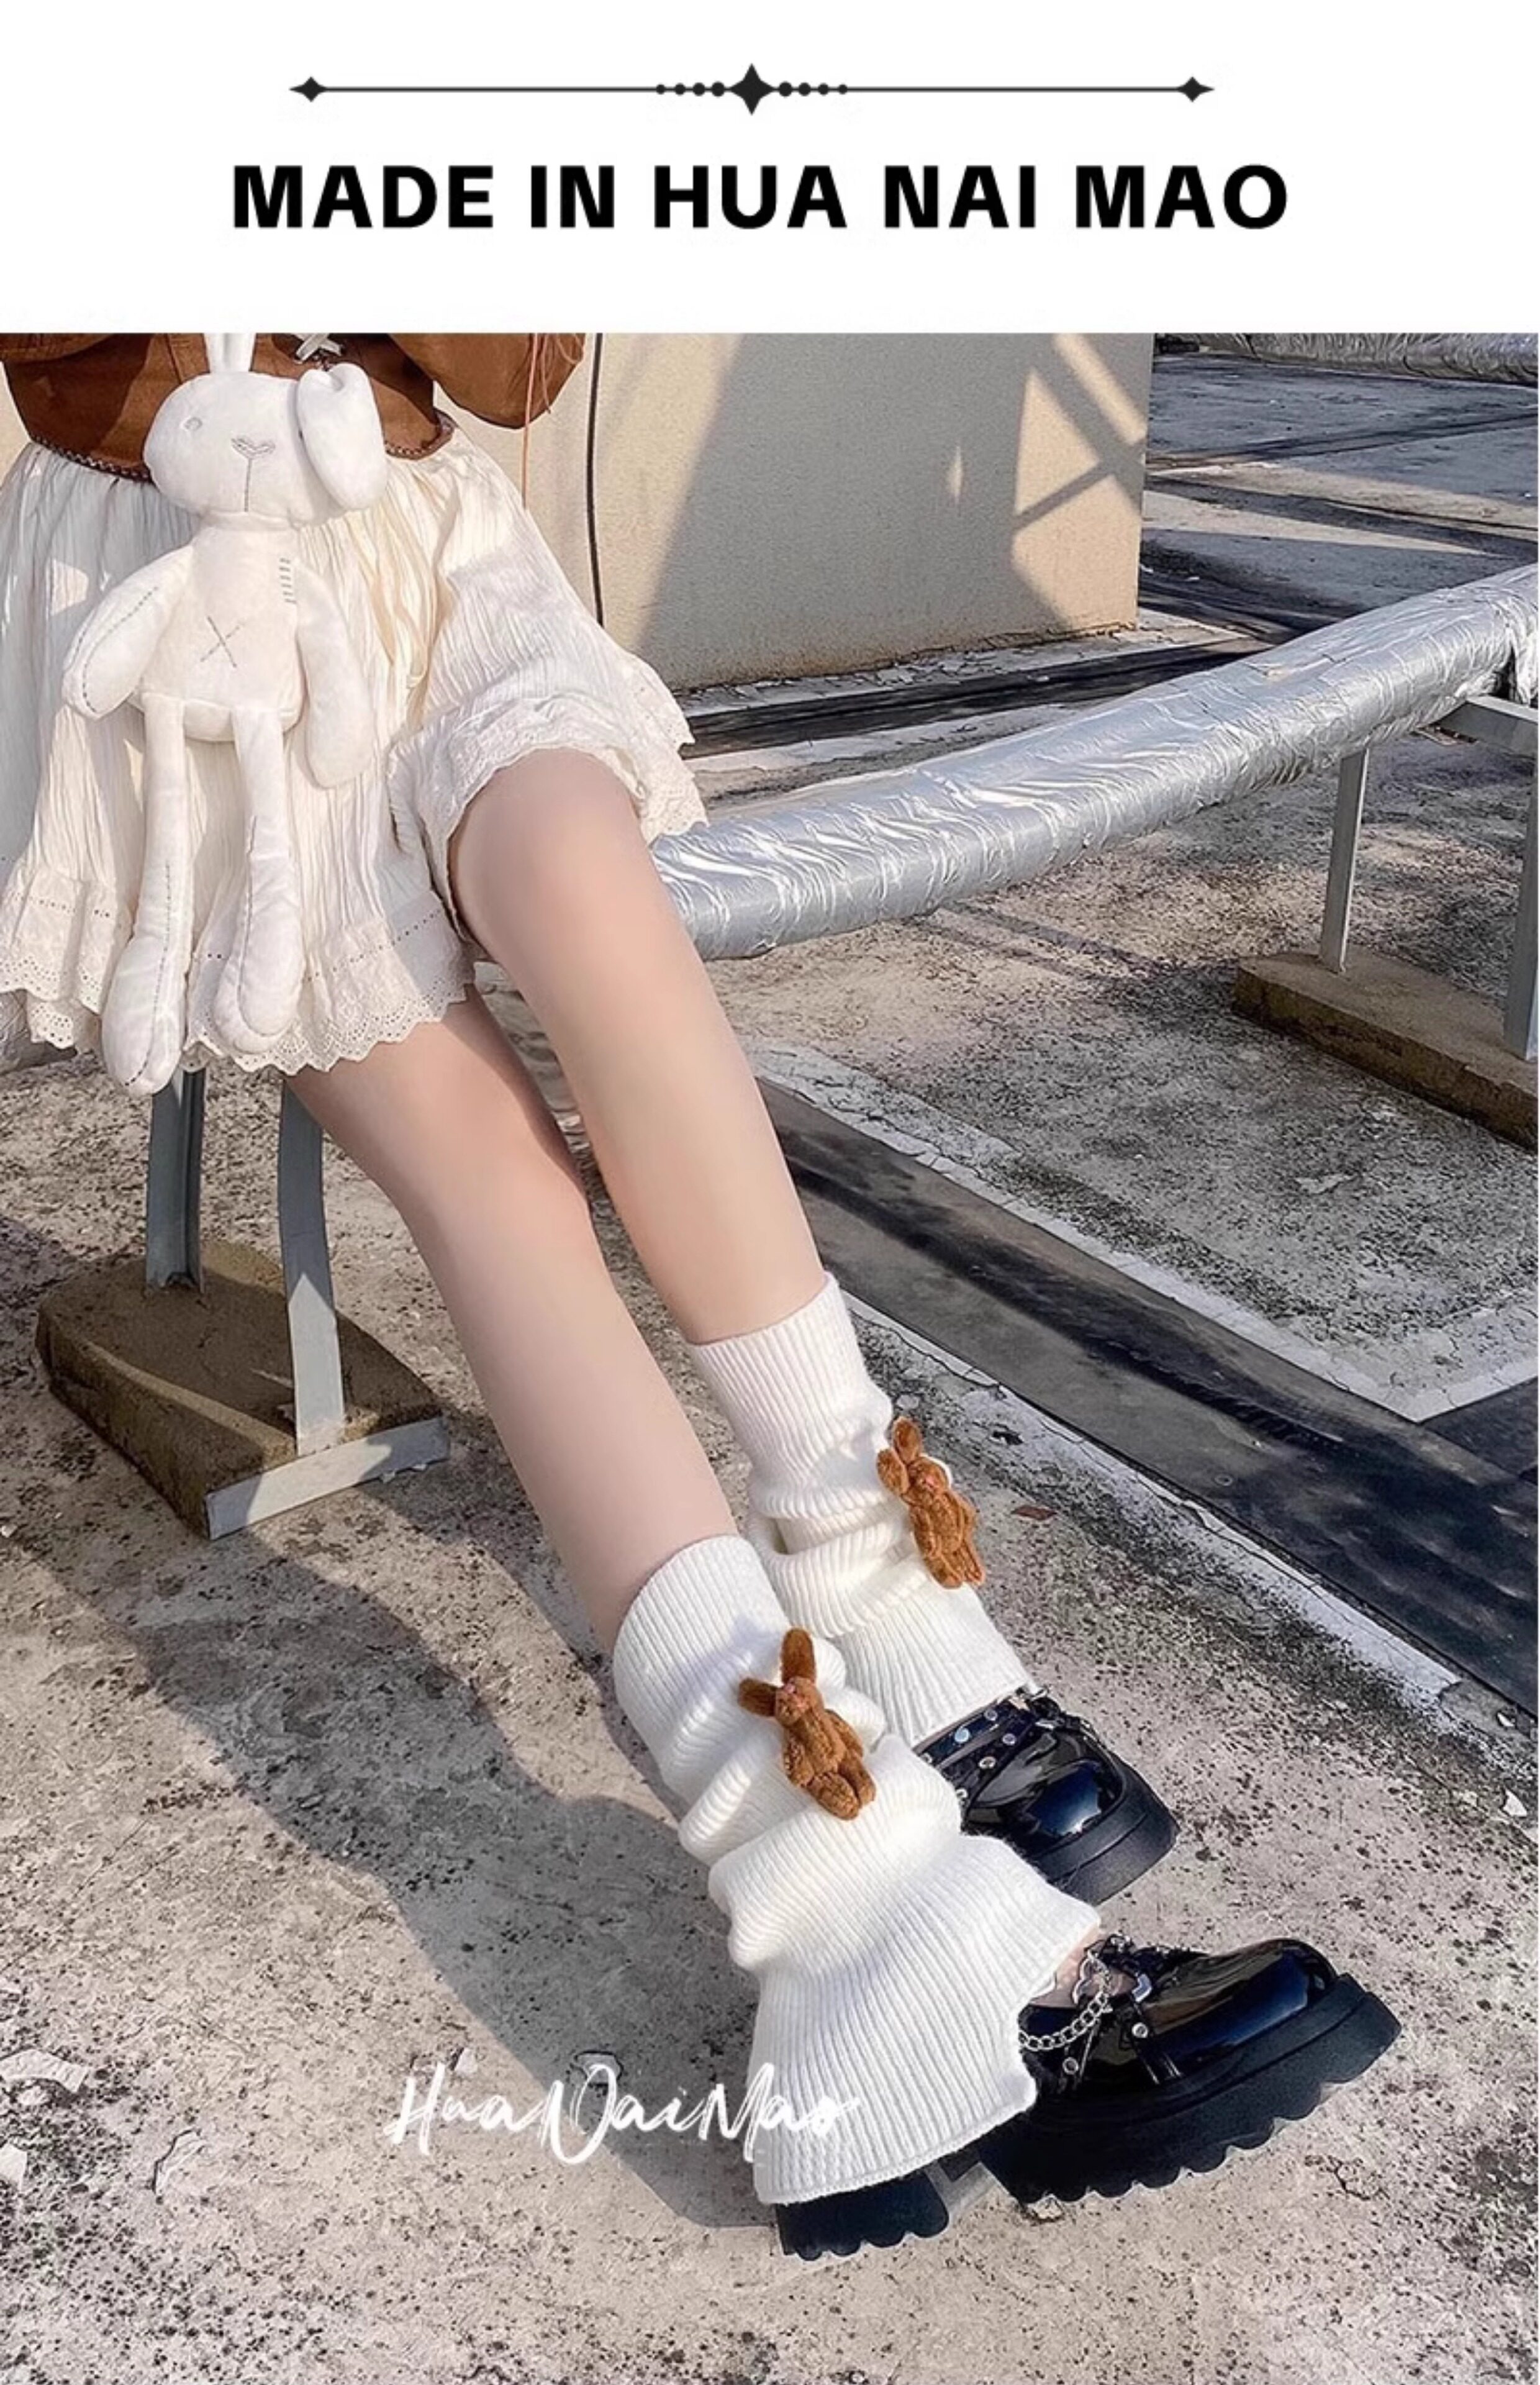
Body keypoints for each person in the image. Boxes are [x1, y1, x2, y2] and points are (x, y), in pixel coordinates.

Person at [0, 333, 1397, 2257]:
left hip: (433, 552)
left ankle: (899, 1605)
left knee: (592, 896)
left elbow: (518, 359)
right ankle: (851, 1913)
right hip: (195, 626)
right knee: (501, 1187)